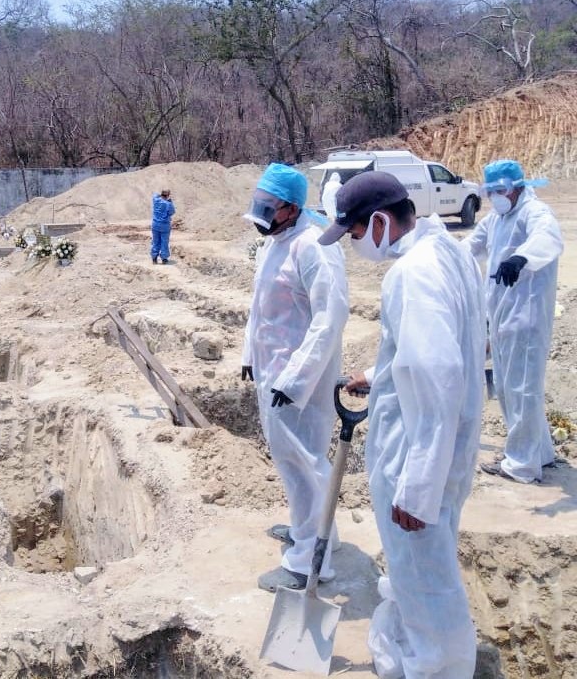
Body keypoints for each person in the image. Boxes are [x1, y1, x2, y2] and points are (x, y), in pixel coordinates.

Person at [320, 170, 485, 678]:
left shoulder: (411, 275)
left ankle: (439, 669)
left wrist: (418, 489)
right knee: (415, 575)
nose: (353, 246)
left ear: (377, 222)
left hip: (417, 461)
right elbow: (433, 347)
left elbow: (436, 378)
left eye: (352, 235)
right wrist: (376, 374)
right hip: (442, 454)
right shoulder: (447, 253)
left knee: (428, 585)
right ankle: (407, 656)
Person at [240, 163, 349, 591]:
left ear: (291, 207)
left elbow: (331, 317)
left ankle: (309, 559)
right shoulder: (275, 241)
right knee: (291, 458)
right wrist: (251, 353)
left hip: (299, 379)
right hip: (273, 370)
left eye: (268, 207)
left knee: (303, 459)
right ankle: (319, 531)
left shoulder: (314, 246)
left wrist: (295, 379)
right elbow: (260, 305)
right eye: (258, 204)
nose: (260, 214)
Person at [464, 159, 563, 484]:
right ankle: (541, 452)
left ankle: (521, 464)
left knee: (523, 390)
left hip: (528, 319)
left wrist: (522, 258)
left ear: (520, 185)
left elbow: (547, 239)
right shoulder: (495, 219)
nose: (496, 197)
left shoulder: (535, 213)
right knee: (510, 389)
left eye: (500, 190)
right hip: (502, 318)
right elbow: (470, 246)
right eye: (490, 192)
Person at [150, 189, 175, 264]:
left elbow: (155, 194)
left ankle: (154, 258)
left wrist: (161, 195)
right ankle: (164, 258)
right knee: (164, 242)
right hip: (164, 226)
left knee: (155, 242)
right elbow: (172, 212)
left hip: (155, 225)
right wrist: (170, 201)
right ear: (168, 195)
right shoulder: (168, 204)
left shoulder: (156, 200)